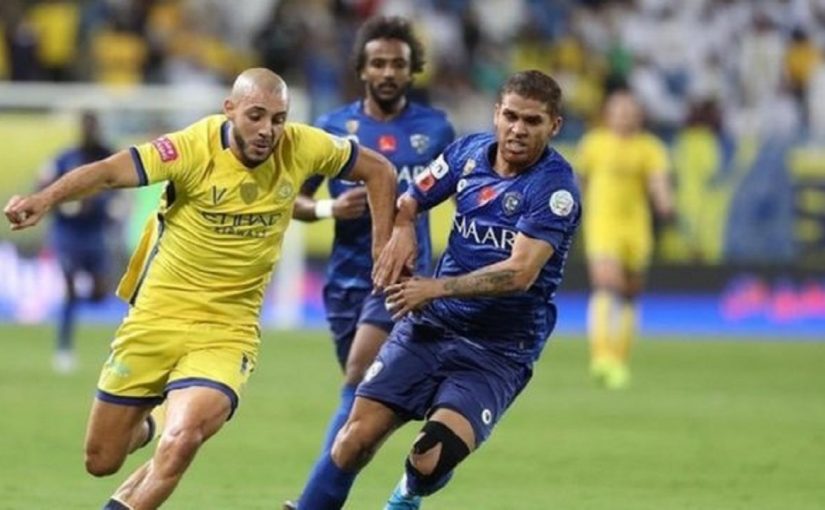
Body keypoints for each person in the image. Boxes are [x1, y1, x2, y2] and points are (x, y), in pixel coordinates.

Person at [3, 68, 399, 510]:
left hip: (227, 330)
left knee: (183, 439)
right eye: (255, 116)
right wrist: (44, 200)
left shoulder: (304, 145)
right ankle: (156, 418)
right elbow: (109, 173)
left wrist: (383, 247)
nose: (268, 130)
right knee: (101, 459)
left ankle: (170, 425)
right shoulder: (190, 148)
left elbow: (379, 170)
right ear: (229, 110)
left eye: (278, 119)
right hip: (157, 317)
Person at [295, 70, 581, 510]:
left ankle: (407, 494)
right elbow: (410, 198)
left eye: (532, 121)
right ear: (496, 114)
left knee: (429, 459)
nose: (518, 129)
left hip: (497, 350)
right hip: (431, 328)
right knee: (351, 442)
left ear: (554, 126)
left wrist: (434, 288)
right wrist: (404, 228)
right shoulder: (467, 154)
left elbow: (519, 273)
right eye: (510, 116)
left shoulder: (554, 188)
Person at [285, 16, 454, 510]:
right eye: (378, 63)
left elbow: (460, 197)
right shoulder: (333, 128)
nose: (388, 72)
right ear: (361, 69)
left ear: (412, 71)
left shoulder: (436, 129)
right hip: (345, 281)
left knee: (359, 374)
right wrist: (328, 208)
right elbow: (292, 198)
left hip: (400, 276)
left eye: (398, 64)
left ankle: (313, 502)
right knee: (370, 401)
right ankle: (416, 482)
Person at [576, 89, 674, 389]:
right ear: (608, 114)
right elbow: (580, 182)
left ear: (639, 116)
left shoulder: (649, 148)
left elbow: (658, 180)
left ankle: (619, 359)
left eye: (630, 112)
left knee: (630, 292)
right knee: (607, 284)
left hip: (635, 228)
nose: (624, 117)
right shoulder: (593, 143)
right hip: (602, 224)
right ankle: (601, 356)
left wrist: (664, 201)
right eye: (619, 111)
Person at [38, 111, 116, 373]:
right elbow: (43, 184)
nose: (89, 131)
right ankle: (64, 349)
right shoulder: (65, 158)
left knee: (100, 292)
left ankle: (78, 310)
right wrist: (61, 205)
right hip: (68, 234)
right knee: (70, 288)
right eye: (86, 126)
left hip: (95, 233)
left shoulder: (108, 156)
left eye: (93, 126)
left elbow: (120, 190)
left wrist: (108, 207)